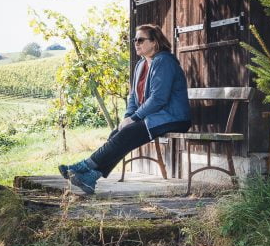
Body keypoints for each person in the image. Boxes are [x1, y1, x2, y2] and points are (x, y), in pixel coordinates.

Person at [59, 22, 191, 195]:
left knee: (127, 133)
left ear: (154, 42)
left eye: (141, 40)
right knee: (117, 133)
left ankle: (85, 166)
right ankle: (91, 178)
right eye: (134, 40)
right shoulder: (140, 66)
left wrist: (135, 118)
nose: (136, 43)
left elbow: (159, 99)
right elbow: (134, 97)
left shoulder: (164, 61)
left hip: (174, 118)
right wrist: (128, 116)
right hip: (155, 117)